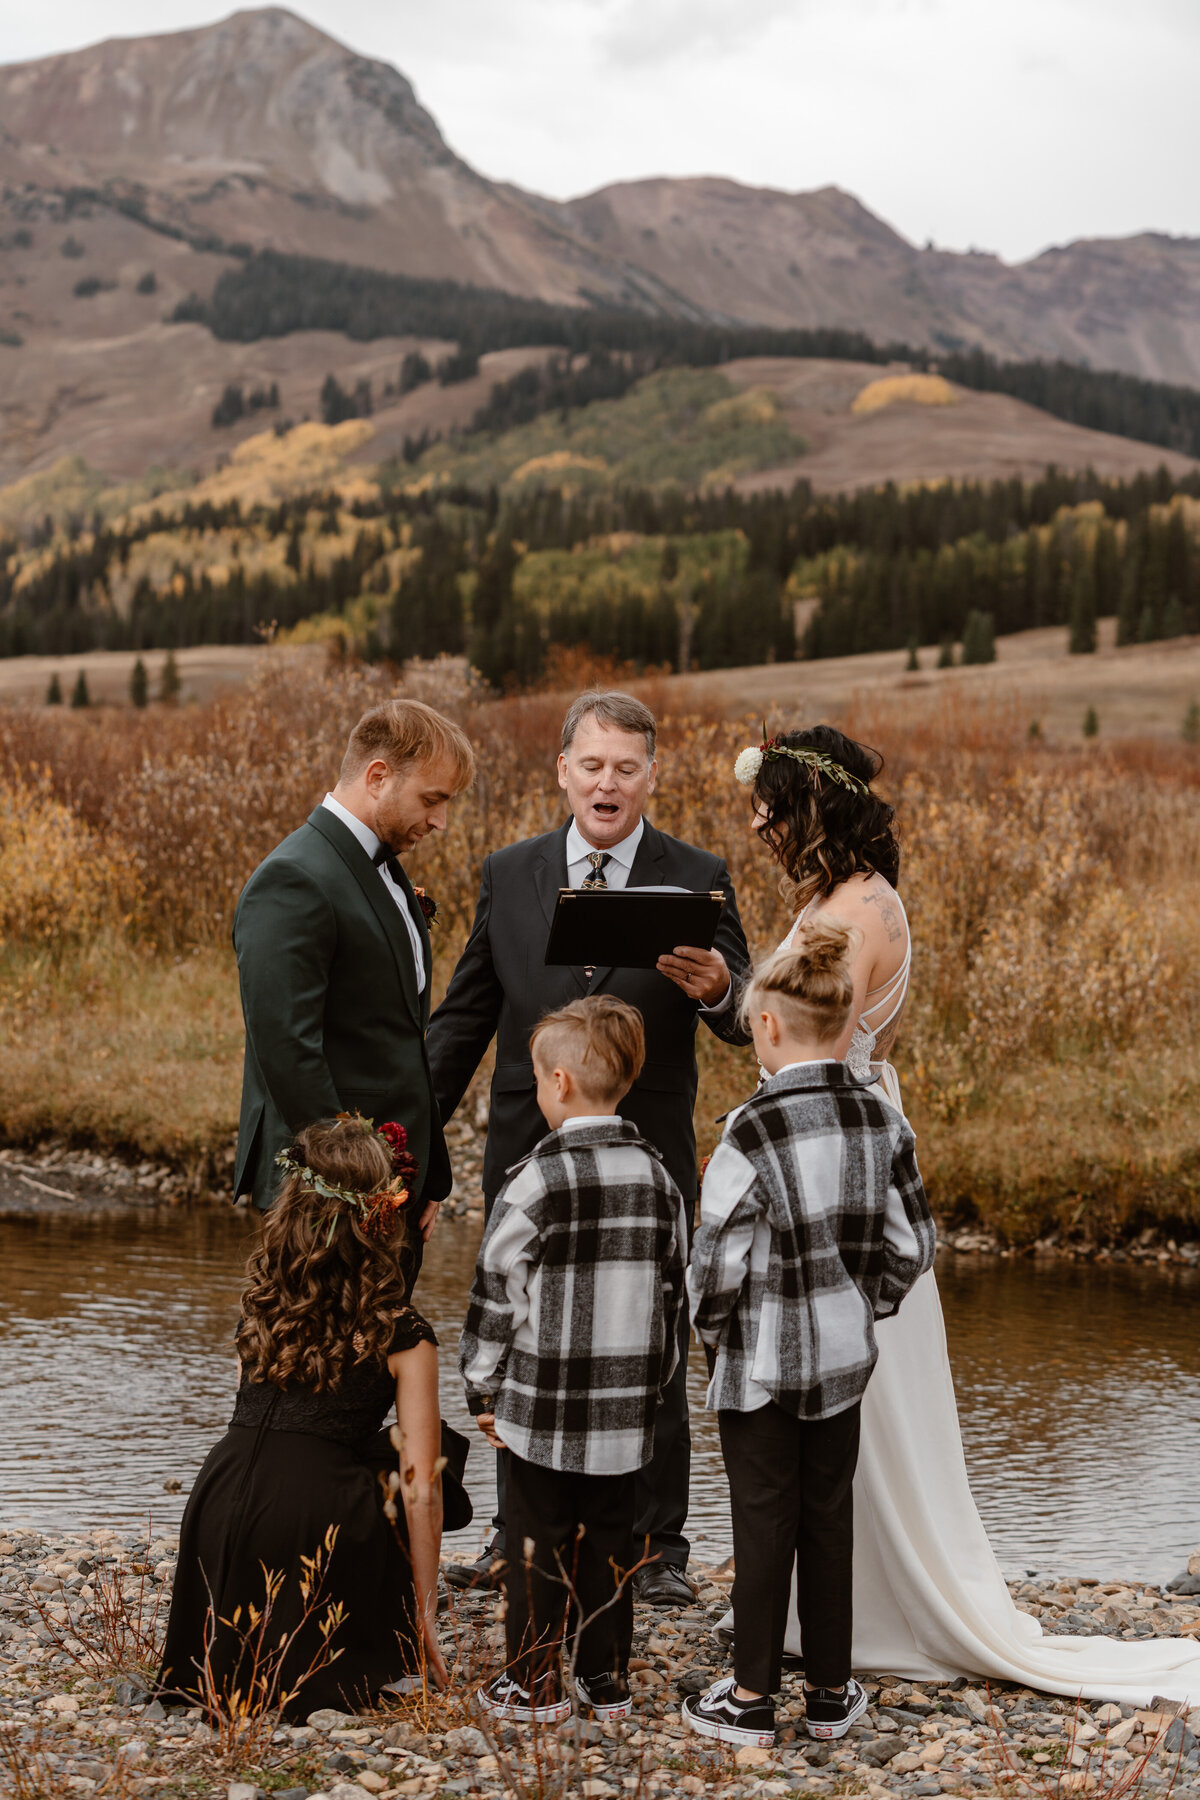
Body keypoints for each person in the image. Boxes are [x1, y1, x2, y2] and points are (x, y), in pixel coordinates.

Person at [714, 721, 1200, 1706]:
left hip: (830, 1154)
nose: (760, 824)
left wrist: (736, 1002)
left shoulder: (855, 910)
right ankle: (831, 1612)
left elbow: (801, 1035)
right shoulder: (841, 895)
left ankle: (874, 1608)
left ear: (814, 805)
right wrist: (729, 991)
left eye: (771, 806)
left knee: (844, 1389)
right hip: (843, 1135)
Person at [429, 690, 751, 1604]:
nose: (608, 783)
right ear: (563, 770)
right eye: (592, 765)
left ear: (652, 776)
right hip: (528, 1148)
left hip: (646, 1157)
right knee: (522, 1329)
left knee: (650, 1337)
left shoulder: (698, 873)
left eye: (626, 767)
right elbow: (463, 1020)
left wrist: (722, 986)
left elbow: (743, 1018)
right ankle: (516, 1534)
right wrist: (402, 1136)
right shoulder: (510, 870)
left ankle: (655, 1547)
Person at [683, 923, 935, 1748]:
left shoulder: (750, 1130)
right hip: (841, 1362)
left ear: (764, 1025)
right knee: (829, 1519)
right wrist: (861, 1304)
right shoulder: (881, 1121)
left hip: (759, 1367)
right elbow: (913, 1246)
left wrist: (711, 1333)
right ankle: (830, 1693)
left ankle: (750, 1698)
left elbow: (714, 1260)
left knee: (763, 1523)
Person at [159, 1115, 448, 1718]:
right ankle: (371, 1652)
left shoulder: (260, 1305)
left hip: (216, 1503)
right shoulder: (403, 1331)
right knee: (410, 1462)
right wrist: (423, 1622)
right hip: (311, 1514)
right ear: (382, 1214)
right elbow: (422, 1488)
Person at [459, 996, 687, 1723]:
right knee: (611, 1546)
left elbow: (499, 1293)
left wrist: (480, 1385)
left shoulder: (535, 1181)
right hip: (624, 1416)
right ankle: (604, 1679)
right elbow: (674, 1295)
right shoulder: (659, 1182)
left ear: (558, 1083)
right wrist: (659, 1383)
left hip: (542, 1411)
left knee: (537, 1541)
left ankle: (531, 1683)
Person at [232, 698, 475, 1279]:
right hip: (325, 1201)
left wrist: (426, 1175)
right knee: (310, 1368)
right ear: (377, 777)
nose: (440, 821)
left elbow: (400, 1038)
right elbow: (288, 1051)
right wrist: (362, 1190)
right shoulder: (293, 878)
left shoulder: (381, 868)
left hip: (395, 1191)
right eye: (432, 799)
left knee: (383, 1364)